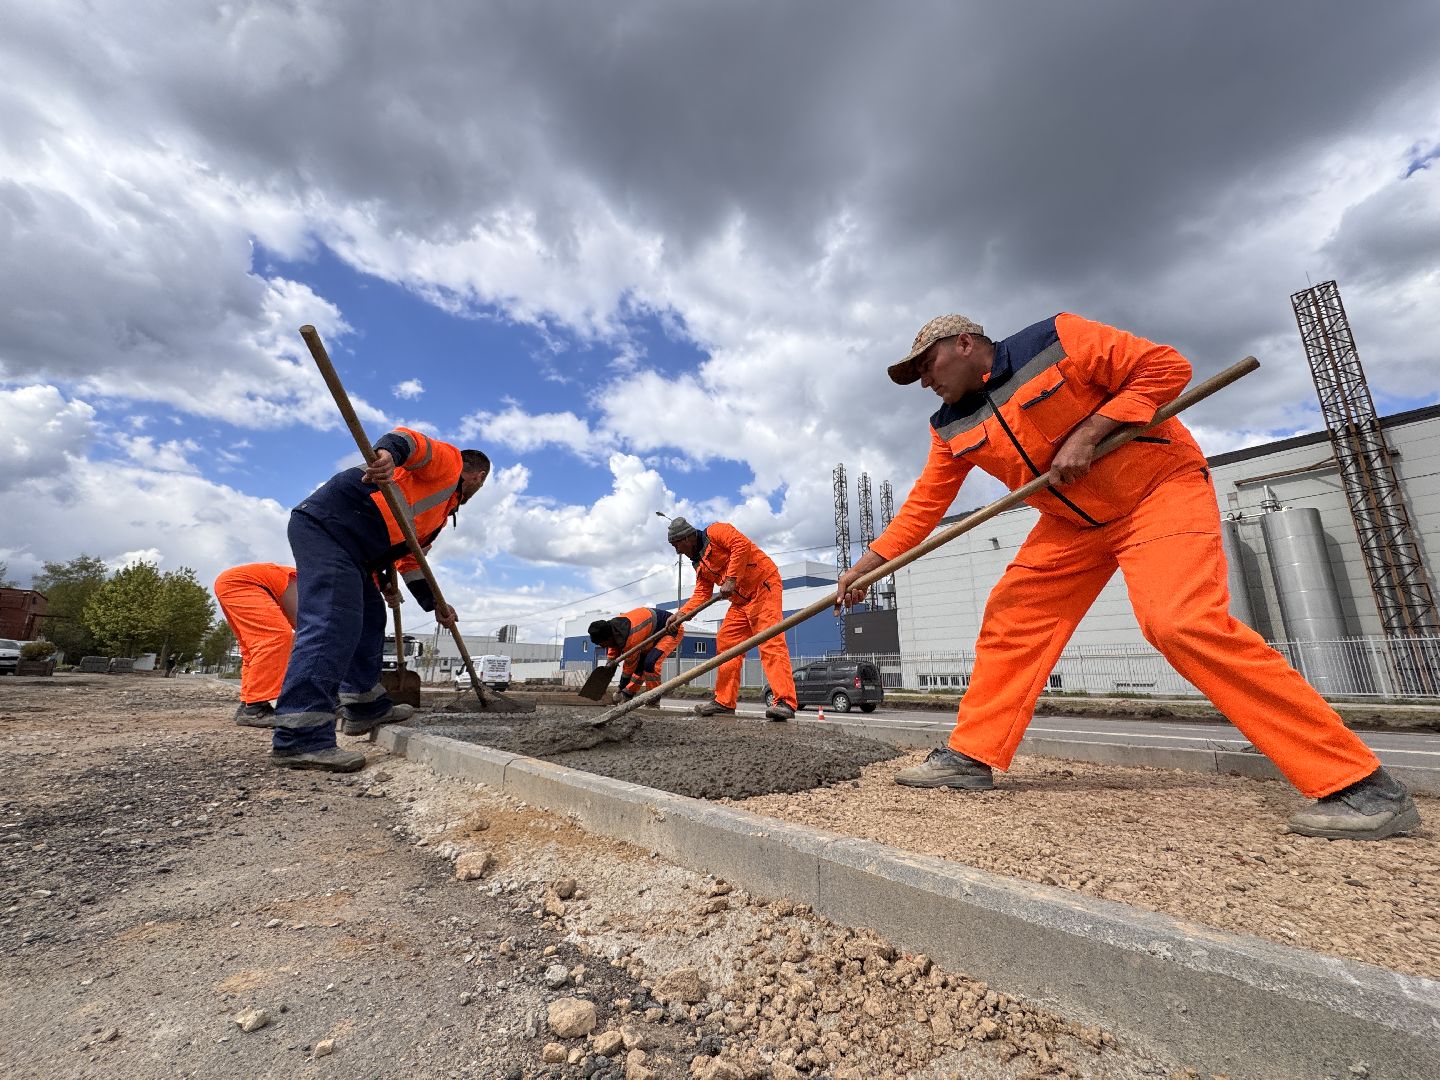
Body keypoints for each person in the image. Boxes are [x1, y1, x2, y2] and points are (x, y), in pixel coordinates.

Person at [837, 313, 1419, 841]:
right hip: (1071, 521)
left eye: (926, 365)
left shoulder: (1057, 340)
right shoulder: (949, 426)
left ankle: (1360, 785)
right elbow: (924, 505)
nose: (923, 381)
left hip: (1157, 490)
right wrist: (869, 565)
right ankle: (972, 754)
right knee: (1013, 615)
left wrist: (1090, 432)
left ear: (964, 343)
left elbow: (1166, 367)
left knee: (1178, 622)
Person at [271, 427, 490, 772]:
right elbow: (410, 441)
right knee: (333, 622)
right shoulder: (449, 463)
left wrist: (436, 606)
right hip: (332, 526)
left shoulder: (439, 515)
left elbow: (410, 561)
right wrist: (387, 454)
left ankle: (363, 707)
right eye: (481, 483)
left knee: (371, 620)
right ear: (477, 476)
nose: (478, 489)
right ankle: (301, 737)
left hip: (359, 551)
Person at [664, 517, 798, 721]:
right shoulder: (699, 563)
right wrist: (680, 615)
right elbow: (702, 593)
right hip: (740, 602)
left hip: (763, 587)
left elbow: (741, 545)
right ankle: (724, 702)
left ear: (688, 537)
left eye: (677, 545)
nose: (677, 551)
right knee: (726, 645)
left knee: (770, 642)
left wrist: (731, 578)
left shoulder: (716, 531)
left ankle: (785, 701)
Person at [213, 562, 298, 727]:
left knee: (252, 648)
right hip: (242, 583)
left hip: (232, 582)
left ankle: (248, 703)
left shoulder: (306, 581)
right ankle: (256, 708)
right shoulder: (309, 583)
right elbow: (306, 625)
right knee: (275, 637)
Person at [588, 606, 684, 702]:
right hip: (650, 634)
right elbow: (613, 646)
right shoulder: (613, 628)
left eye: (602, 644)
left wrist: (620, 687)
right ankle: (627, 694)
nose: (603, 647)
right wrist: (609, 664)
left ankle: (653, 700)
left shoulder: (631, 638)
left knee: (650, 663)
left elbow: (628, 669)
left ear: (608, 638)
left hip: (671, 628)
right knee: (640, 667)